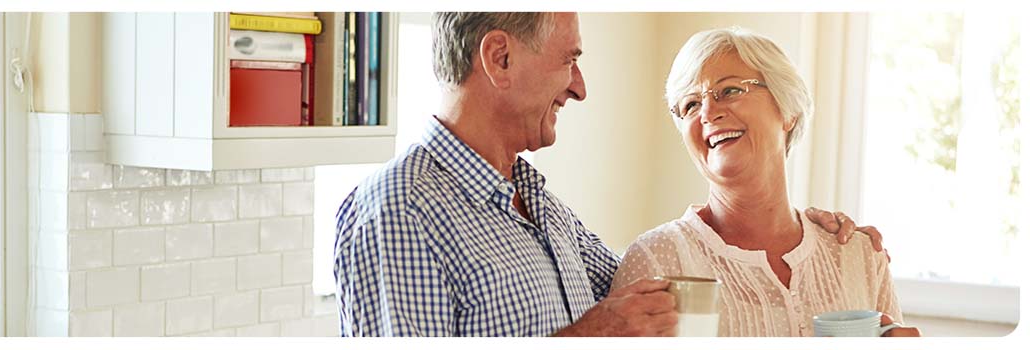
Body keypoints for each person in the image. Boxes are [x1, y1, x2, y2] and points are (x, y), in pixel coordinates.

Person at [334, 13, 878, 337]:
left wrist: (811, 242)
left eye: (731, 90)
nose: (579, 87)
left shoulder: (537, 205)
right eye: (568, 59)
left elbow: (663, 279)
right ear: (499, 59)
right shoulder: (399, 209)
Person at [610, 27, 920, 337]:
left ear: (788, 111)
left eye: (729, 90)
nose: (707, 112)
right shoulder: (656, 259)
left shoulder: (859, 255)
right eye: (690, 105)